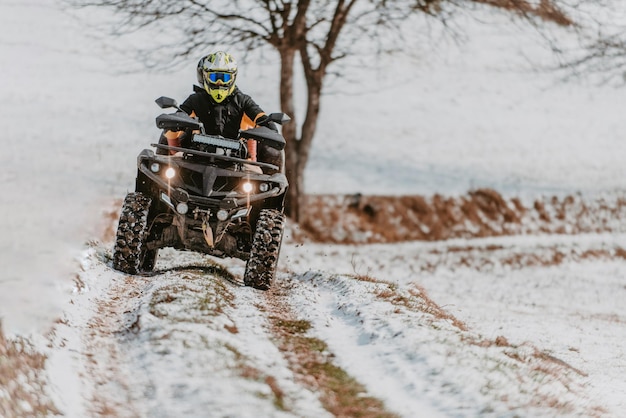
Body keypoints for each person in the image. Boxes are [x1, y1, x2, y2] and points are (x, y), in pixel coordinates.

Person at [161, 51, 283, 171]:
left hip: (240, 162)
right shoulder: (196, 100)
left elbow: (260, 117)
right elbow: (181, 115)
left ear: (233, 78)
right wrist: (173, 124)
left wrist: (268, 125)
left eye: (225, 78)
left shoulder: (243, 101)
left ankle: (275, 187)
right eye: (214, 77)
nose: (219, 83)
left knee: (272, 156)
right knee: (165, 147)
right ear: (205, 77)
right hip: (195, 157)